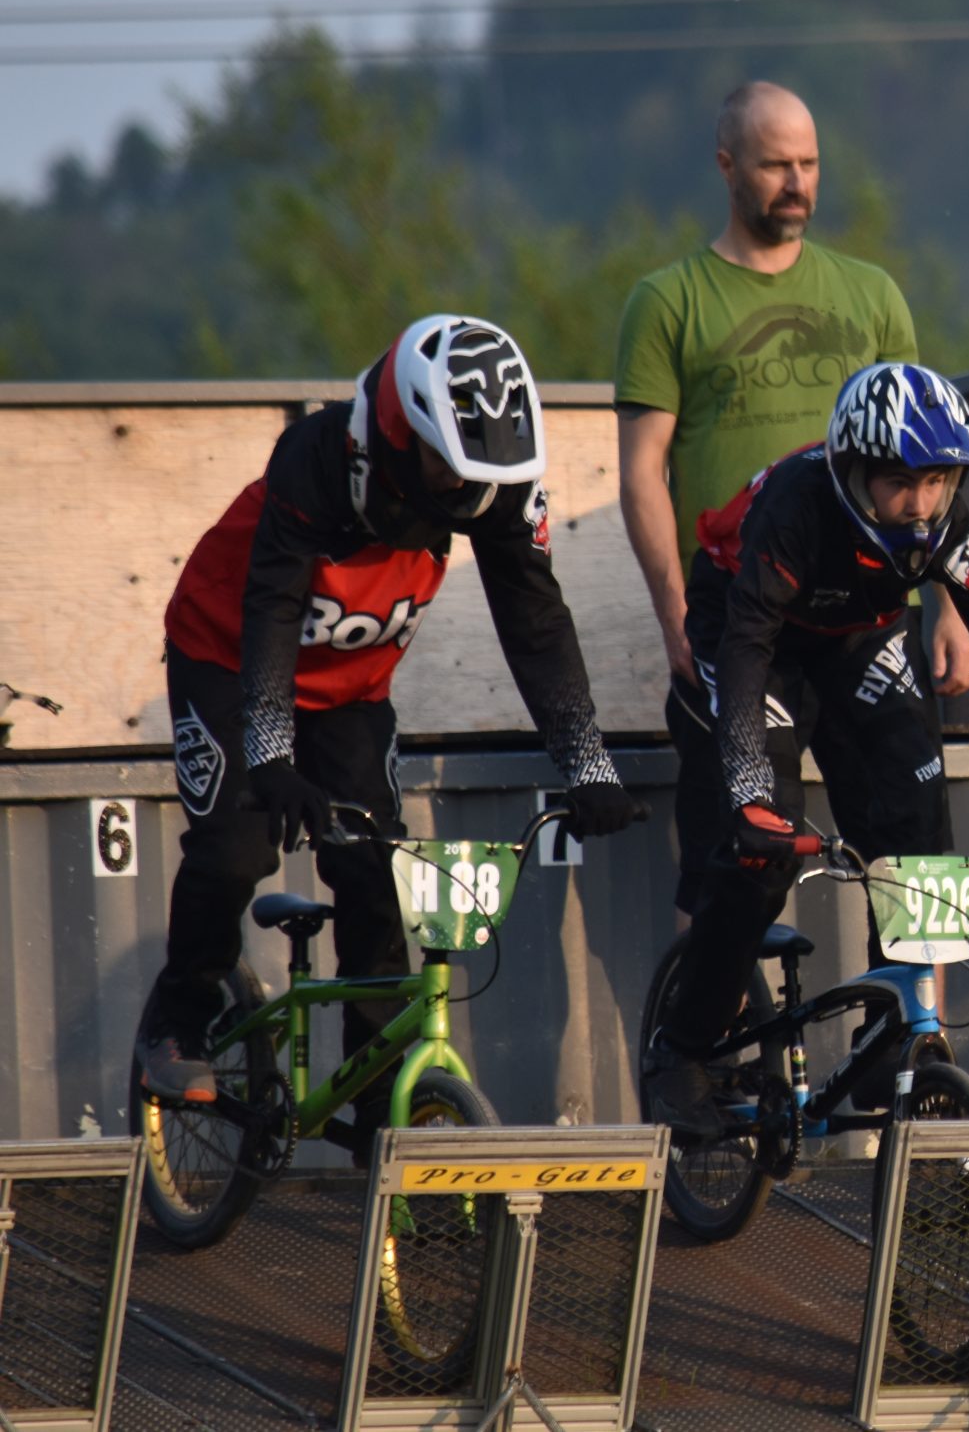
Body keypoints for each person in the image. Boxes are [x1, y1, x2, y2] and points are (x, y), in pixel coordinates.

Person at [139, 316, 643, 1110]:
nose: (467, 493)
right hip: (228, 657)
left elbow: (536, 624)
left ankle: (383, 1105)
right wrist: (270, 757)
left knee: (374, 872)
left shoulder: (495, 483)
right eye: (449, 469)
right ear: (404, 430)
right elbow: (270, 605)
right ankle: (180, 1013)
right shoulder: (316, 456)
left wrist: (588, 764)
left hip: (347, 688)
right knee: (237, 849)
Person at [642, 362, 969, 1136]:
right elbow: (749, 645)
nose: (922, 505)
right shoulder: (796, 508)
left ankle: (887, 1035)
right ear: (852, 469)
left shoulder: (940, 521)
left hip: (858, 633)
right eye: (901, 482)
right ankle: (684, 1048)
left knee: (916, 827)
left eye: (940, 482)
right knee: (762, 842)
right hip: (755, 630)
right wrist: (751, 793)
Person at [614, 80, 969, 810]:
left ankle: (922, 934)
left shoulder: (872, 293)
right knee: (737, 856)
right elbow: (640, 475)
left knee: (916, 850)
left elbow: (928, 464)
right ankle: (727, 930)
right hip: (746, 615)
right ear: (727, 165)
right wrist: (675, 617)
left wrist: (950, 607)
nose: (796, 183)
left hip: (872, 614)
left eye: (809, 164)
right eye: (775, 165)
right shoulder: (667, 302)